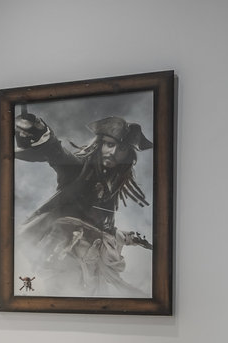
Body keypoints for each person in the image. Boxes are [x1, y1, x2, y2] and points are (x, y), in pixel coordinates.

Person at [13, 112, 152, 296]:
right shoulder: (78, 169)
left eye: (121, 148)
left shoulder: (112, 185)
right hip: (61, 252)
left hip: (89, 260)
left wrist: (126, 237)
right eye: (109, 145)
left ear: (128, 154)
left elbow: (97, 224)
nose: (113, 152)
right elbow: (58, 153)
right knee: (61, 296)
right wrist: (40, 130)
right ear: (99, 144)